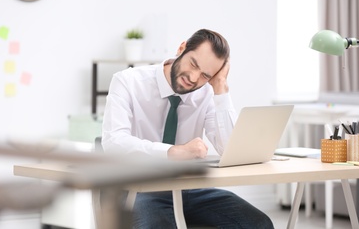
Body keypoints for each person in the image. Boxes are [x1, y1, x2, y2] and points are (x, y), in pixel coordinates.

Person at [102, 29, 274, 228]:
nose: (193, 78)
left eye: (205, 75)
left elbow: (229, 151)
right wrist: (172, 152)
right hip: (140, 188)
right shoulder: (128, 81)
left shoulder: (207, 92)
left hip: (189, 189)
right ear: (182, 48)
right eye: (193, 64)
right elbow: (113, 142)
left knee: (259, 224)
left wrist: (220, 89)